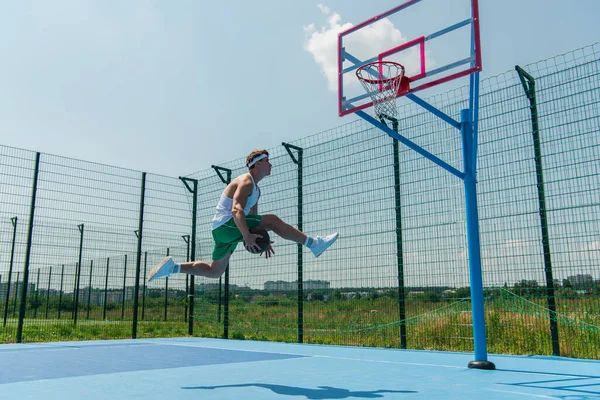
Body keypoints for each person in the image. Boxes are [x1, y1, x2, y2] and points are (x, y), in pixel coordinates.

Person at [147, 149, 338, 282]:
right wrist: (246, 235)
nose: (270, 164)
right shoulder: (246, 181)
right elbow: (236, 210)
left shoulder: (256, 190)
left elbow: (254, 219)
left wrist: (263, 239)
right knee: (273, 220)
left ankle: (173, 268)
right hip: (227, 224)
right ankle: (314, 244)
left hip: (223, 230)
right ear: (256, 165)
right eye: (266, 161)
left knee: (215, 271)